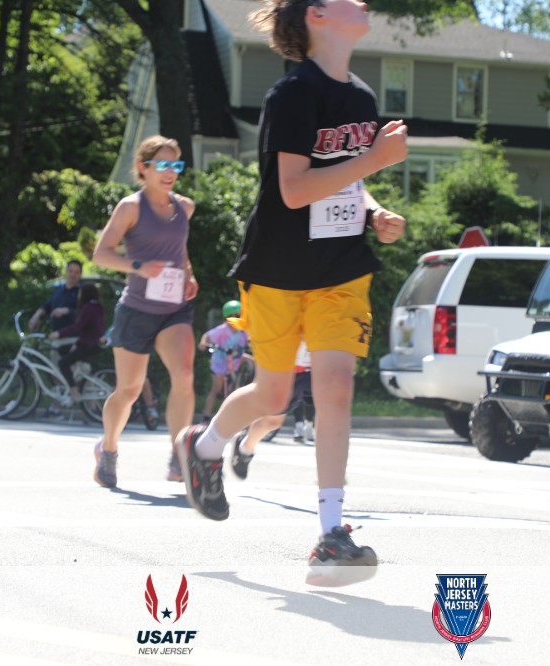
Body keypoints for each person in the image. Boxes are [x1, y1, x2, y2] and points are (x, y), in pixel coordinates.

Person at [174, 0, 407, 586]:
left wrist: (373, 210)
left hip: (341, 268)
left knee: (335, 387)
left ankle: (331, 534)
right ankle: (205, 448)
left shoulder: (361, 97)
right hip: (278, 267)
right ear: (318, 15)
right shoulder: (293, 94)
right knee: (274, 396)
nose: (363, 2)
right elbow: (296, 190)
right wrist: (376, 157)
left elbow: (346, 179)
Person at [91, 135, 199, 488]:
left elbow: (180, 249)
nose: (171, 173)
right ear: (143, 167)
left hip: (174, 310)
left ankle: (179, 456)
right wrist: (139, 266)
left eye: (176, 165)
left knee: (184, 374)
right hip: (137, 309)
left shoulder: (184, 207)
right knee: (129, 390)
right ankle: (108, 449)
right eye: (163, 165)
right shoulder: (130, 208)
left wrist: (189, 274)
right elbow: (102, 254)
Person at [231, 342, 314, 480]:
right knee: (272, 422)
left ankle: (331, 486)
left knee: (332, 408)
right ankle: (244, 449)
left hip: (321, 362)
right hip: (288, 363)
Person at [48, 282, 105, 403]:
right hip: (93, 343)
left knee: (63, 363)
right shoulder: (97, 306)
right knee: (62, 349)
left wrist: (59, 333)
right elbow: (90, 329)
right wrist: (77, 343)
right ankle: (75, 371)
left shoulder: (88, 307)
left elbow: (78, 326)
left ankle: (74, 391)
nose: (78, 295)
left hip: (89, 344)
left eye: (80, 292)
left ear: (85, 294)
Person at [197, 300, 250, 423]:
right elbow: (207, 335)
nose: (238, 319)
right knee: (216, 389)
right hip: (220, 363)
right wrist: (203, 343)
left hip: (235, 362)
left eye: (240, 316)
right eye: (235, 316)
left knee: (235, 390)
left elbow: (251, 340)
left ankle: (234, 416)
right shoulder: (222, 330)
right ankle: (206, 417)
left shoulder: (244, 331)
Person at [29, 260, 82, 333]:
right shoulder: (59, 289)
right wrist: (36, 316)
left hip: (74, 336)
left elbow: (86, 314)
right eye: (71, 271)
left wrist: (67, 311)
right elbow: (47, 305)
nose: (73, 274)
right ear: (66, 271)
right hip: (55, 335)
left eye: (76, 272)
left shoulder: (82, 292)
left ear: (80, 274)